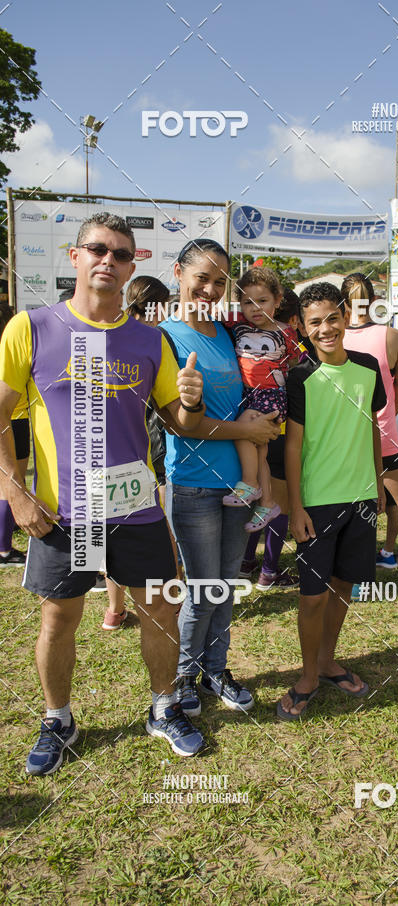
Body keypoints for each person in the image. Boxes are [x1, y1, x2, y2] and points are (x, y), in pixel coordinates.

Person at [0, 212, 208, 775]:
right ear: (75, 255)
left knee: (162, 609)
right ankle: (58, 719)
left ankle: (164, 708)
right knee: (58, 620)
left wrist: (189, 399)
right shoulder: (32, 327)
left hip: (134, 506)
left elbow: (180, 421)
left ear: (132, 264)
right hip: (64, 513)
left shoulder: (148, 339)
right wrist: (16, 492)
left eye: (121, 253)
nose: (108, 261)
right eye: (98, 249)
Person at [162, 239, 280, 720]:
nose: (210, 289)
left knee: (226, 584)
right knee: (202, 587)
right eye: (201, 278)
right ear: (178, 273)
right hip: (192, 483)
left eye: (219, 281)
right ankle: (184, 676)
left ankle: (216, 668)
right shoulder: (164, 336)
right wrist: (246, 429)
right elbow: (179, 423)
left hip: (239, 486)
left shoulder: (228, 335)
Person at [278, 282, 386, 720]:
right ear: (303, 328)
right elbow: (292, 448)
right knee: (312, 597)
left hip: (361, 498)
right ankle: (306, 675)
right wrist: (296, 507)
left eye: (332, 318)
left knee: (343, 585)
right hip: (318, 504)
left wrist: (377, 483)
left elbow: (373, 428)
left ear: (345, 316)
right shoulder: (300, 376)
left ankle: (327, 661)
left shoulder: (368, 366)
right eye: (315, 323)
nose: (326, 329)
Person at [341, 273, 398, 596]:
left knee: (357, 511)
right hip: (386, 436)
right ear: (374, 301)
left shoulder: (334, 338)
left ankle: (357, 584)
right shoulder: (392, 337)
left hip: (347, 442)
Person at [102, 275, 174, 630]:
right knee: (162, 528)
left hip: (112, 450)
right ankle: (169, 602)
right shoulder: (155, 339)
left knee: (112, 533)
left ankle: (114, 611)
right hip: (149, 449)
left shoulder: (112, 333)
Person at [222, 266, 297, 533]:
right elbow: (211, 314)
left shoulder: (287, 332)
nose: (255, 308)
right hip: (247, 396)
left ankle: (249, 484)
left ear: (277, 300)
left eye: (262, 301)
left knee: (243, 430)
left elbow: (297, 365)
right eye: (247, 302)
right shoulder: (238, 325)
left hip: (272, 397)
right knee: (260, 452)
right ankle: (267, 503)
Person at [240, 287, 302, 589]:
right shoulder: (288, 338)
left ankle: (247, 561)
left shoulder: (239, 332)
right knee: (278, 501)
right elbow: (300, 369)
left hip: (247, 418)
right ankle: (269, 569)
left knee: (258, 497)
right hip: (278, 424)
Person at [0, 304, 29, 567]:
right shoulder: (10, 345)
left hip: (14, 419)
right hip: (15, 421)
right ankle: (4, 550)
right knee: (11, 484)